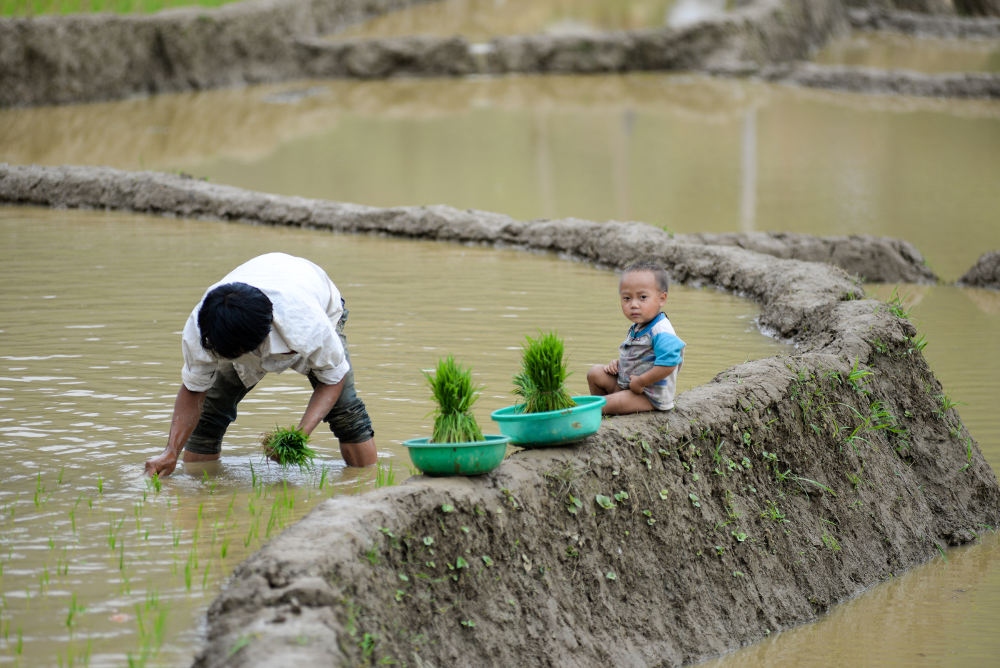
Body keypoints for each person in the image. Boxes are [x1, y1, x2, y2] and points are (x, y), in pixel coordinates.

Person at [144, 252, 376, 477]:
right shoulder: (203, 328)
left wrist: (299, 434)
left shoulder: (307, 324)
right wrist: (171, 451)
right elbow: (194, 390)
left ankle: (368, 485)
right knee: (209, 413)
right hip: (246, 318)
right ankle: (200, 493)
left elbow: (333, 378)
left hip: (315, 300)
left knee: (346, 412)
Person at [587, 261, 685, 415]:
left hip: (648, 395)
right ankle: (607, 411)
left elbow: (669, 363)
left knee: (601, 404)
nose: (633, 304)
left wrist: (642, 381)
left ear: (662, 299)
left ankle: (603, 410)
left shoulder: (661, 331)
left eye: (642, 297)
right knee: (595, 373)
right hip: (630, 385)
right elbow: (641, 357)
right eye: (627, 298)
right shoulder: (638, 326)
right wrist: (619, 364)